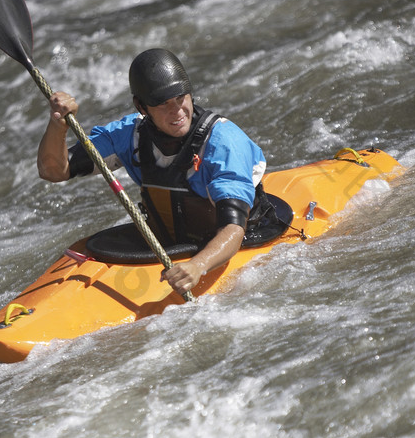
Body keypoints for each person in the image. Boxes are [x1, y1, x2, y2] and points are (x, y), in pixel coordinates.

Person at [37, 48, 267, 295]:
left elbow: (233, 229)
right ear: (142, 106)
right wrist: (57, 124)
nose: (177, 111)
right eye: (163, 104)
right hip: (173, 243)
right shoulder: (129, 135)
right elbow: (54, 171)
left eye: (181, 98)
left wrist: (197, 266)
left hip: (235, 241)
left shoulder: (224, 143)